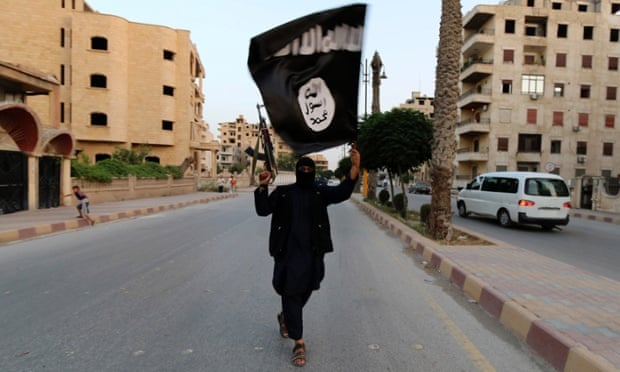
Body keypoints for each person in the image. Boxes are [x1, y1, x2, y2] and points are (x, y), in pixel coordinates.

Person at [254, 148, 360, 367]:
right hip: (288, 253)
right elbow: (263, 210)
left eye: (309, 169)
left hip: (313, 253)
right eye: (302, 169)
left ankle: (286, 316)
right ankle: (299, 342)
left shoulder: (320, 192)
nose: (305, 171)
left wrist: (355, 167)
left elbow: (342, 192)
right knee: (291, 292)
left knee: (311, 285)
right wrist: (263, 186)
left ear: (313, 172)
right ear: (296, 171)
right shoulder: (284, 192)